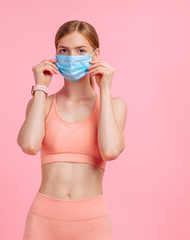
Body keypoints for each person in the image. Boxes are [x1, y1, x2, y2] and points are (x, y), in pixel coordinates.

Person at [17, 20, 127, 240]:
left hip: (92, 222)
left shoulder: (115, 105)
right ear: (55, 54)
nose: (72, 56)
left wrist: (105, 89)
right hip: (44, 221)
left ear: (96, 55)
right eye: (64, 50)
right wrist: (41, 88)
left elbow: (110, 151)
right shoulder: (43, 104)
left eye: (81, 50)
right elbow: (29, 146)